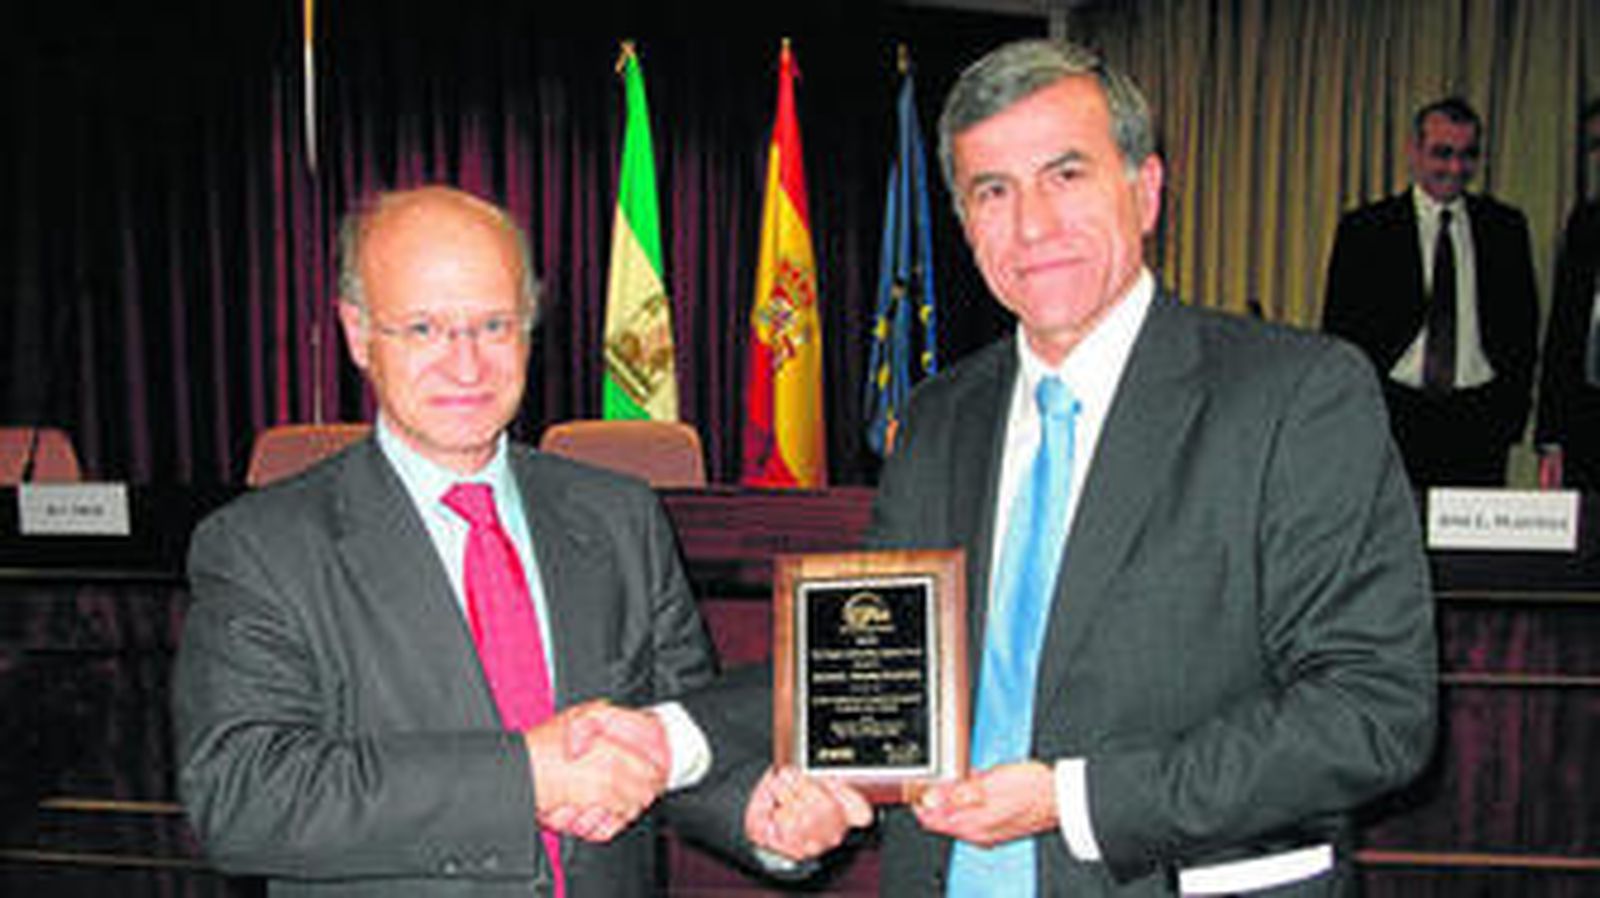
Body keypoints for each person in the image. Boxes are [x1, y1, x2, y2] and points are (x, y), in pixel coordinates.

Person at [729, 39, 1437, 895]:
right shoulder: (935, 419)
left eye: (1066, 175)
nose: (1032, 225)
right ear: (963, 224)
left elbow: (1372, 714)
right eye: (993, 191)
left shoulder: (1298, 396)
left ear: (1145, 191)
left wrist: (1075, 797)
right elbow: (879, 680)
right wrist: (801, 790)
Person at [172, 185, 862, 897]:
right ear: (356, 332)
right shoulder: (261, 546)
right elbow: (242, 797)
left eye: (495, 325)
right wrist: (525, 777)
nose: (466, 365)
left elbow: (671, 733)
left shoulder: (619, 517)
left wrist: (757, 814)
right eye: (423, 329)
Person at [1323, 97, 1539, 488]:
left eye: (1467, 155)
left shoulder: (1504, 229)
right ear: (1414, 151)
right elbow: (1341, 336)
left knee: (1473, 547)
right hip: (1395, 415)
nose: (1455, 168)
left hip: (1479, 420)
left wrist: (1509, 415)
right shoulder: (1366, 230)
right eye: (1442, 153)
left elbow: (1522, 330)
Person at [1535, 99, 1600, 490]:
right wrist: (1551, 439)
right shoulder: (1586, 224)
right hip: (1586, 423)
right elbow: (1563, 335)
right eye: (1597, 144)